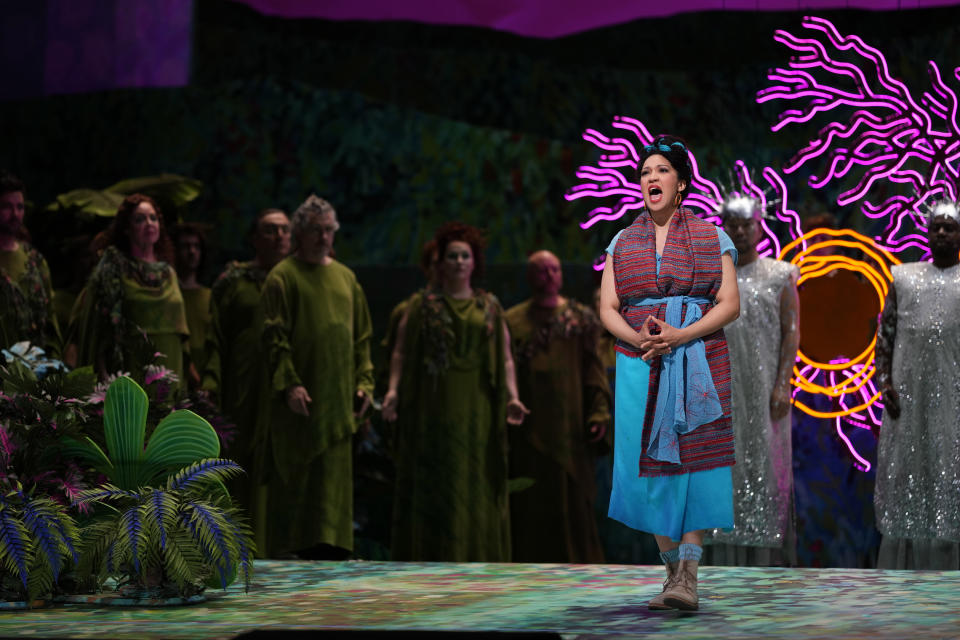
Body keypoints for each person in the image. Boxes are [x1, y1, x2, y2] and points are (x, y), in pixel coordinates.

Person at [597, 135, 740, 611]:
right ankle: (672, 571)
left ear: (680, 183)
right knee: (648, 466)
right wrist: (641, 339)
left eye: (660, 170)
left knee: (698, 459)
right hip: (641, 360)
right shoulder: (622, 240)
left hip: (697, 354)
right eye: (644, 172)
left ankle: (691, 574)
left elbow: (730, 304)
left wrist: (681, 335)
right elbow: (608, 308)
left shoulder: (712, 237)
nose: (650, 178)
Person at [382, 221, 529, 561]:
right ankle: (430, 557)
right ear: (442, 262)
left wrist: (512, 396)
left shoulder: (490, 307)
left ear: (474, 262)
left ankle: (476, 557)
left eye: (465, 255)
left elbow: (506, 357)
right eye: (452, 256)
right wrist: (392, 391)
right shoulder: (421, 307)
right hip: (434, 406)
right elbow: (401, 351)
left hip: (478, 408)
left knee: (475, 479)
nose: (459, 261)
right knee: (435, 478)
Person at [260, 195, 374, 560]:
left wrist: (365, 383)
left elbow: (362, 338)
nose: (323, 237)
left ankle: (334, 553)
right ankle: (293, 555)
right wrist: (290, 383)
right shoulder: (282, 277)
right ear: (299, 233)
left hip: (339, 399)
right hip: (301, 399)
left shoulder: (346, 278)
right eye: (315, 230)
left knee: (334, 478)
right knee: (299, 474)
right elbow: (274, 339)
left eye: (328, 230)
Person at [708, 196, 800, 566]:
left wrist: (782, 384)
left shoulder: (780, 274)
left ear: (760, 226)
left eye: (747, 224)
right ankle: (717, 564)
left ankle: (766, 566)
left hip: (763, 388)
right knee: (721, 466)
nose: (741, 231)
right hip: (719, 385)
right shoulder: (709, 277)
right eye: (733, 224)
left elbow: (791, 331)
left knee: (764, 463)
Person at [504, 250, 611, 563]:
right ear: (529, 276)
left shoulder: (580, 319)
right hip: (529, 428)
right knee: (531, 501)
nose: (548, 275)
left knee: (573, 501)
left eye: (554, 269)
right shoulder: (512, 321)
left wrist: (599, 411)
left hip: (570, 427)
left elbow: (594, 370)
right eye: (541, 270)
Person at [874, 201, 960, 570]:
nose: (941, 233)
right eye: (936, 227)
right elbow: (886, 333)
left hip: (953, 396)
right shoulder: (903, 276)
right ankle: (903, 569)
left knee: (948, 470)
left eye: (949, 227)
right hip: (906, 397)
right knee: (906, 469)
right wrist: (884, 380)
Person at [202, 207, 291, 550]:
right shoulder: (233, 280)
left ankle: (278, 547)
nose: (280, 236)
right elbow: (216, 336)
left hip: (283, 383)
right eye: (270, 230)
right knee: (239, 460)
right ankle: (233, 544)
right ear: (254, 237)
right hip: (241, 384)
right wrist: (211, 380)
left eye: (285, 230)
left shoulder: (296, 278)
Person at [70, 194, 189, 385]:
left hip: (171, 366)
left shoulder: (169, 273)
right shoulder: (114, 269)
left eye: (153, 218)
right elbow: (98, 329)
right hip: (131, 368)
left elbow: (182, 335)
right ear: (126, 228)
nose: (149, 223)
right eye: (139, 219)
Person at [0, 170, 61, 354]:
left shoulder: (35, 261)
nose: (15, 214)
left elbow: (50, 317)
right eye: (7, 207)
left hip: (35, 365)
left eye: (20, 207)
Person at [172, 222, 212, 387]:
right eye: (185, 246)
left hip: (206, 377)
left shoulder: (209, 296)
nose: (192, 252)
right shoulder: (169, 297)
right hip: (176, 373)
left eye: (196, 246)